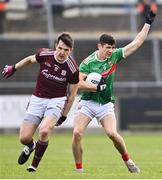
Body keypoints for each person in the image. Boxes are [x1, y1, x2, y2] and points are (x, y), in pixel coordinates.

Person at [70, 10, 156, 173]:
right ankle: (79, 170)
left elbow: (136, 43)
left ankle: (128, 161)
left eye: (113, 47)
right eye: (108, 47)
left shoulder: (114, 56)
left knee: (112, 133)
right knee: (77, 133)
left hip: (105, 103)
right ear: (100, 46)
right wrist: (96, 86)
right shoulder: (87, 63)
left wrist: (148, 24)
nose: (111, 50)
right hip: (87, 102)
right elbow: (78, 84)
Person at [2, 32, 79, 172]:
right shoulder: (44, 54)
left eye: (66, 50)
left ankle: (34, 166)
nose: (62, 52)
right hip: (37, 98)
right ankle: (31, 146)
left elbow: (72, 94)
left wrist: (64, 115)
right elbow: (30, 59)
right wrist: (14, 67)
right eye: (60, 48)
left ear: (70, 50)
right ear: (56, 46)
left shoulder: (72, 69)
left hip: (56, 101)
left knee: (44, 131)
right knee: (24, 138)